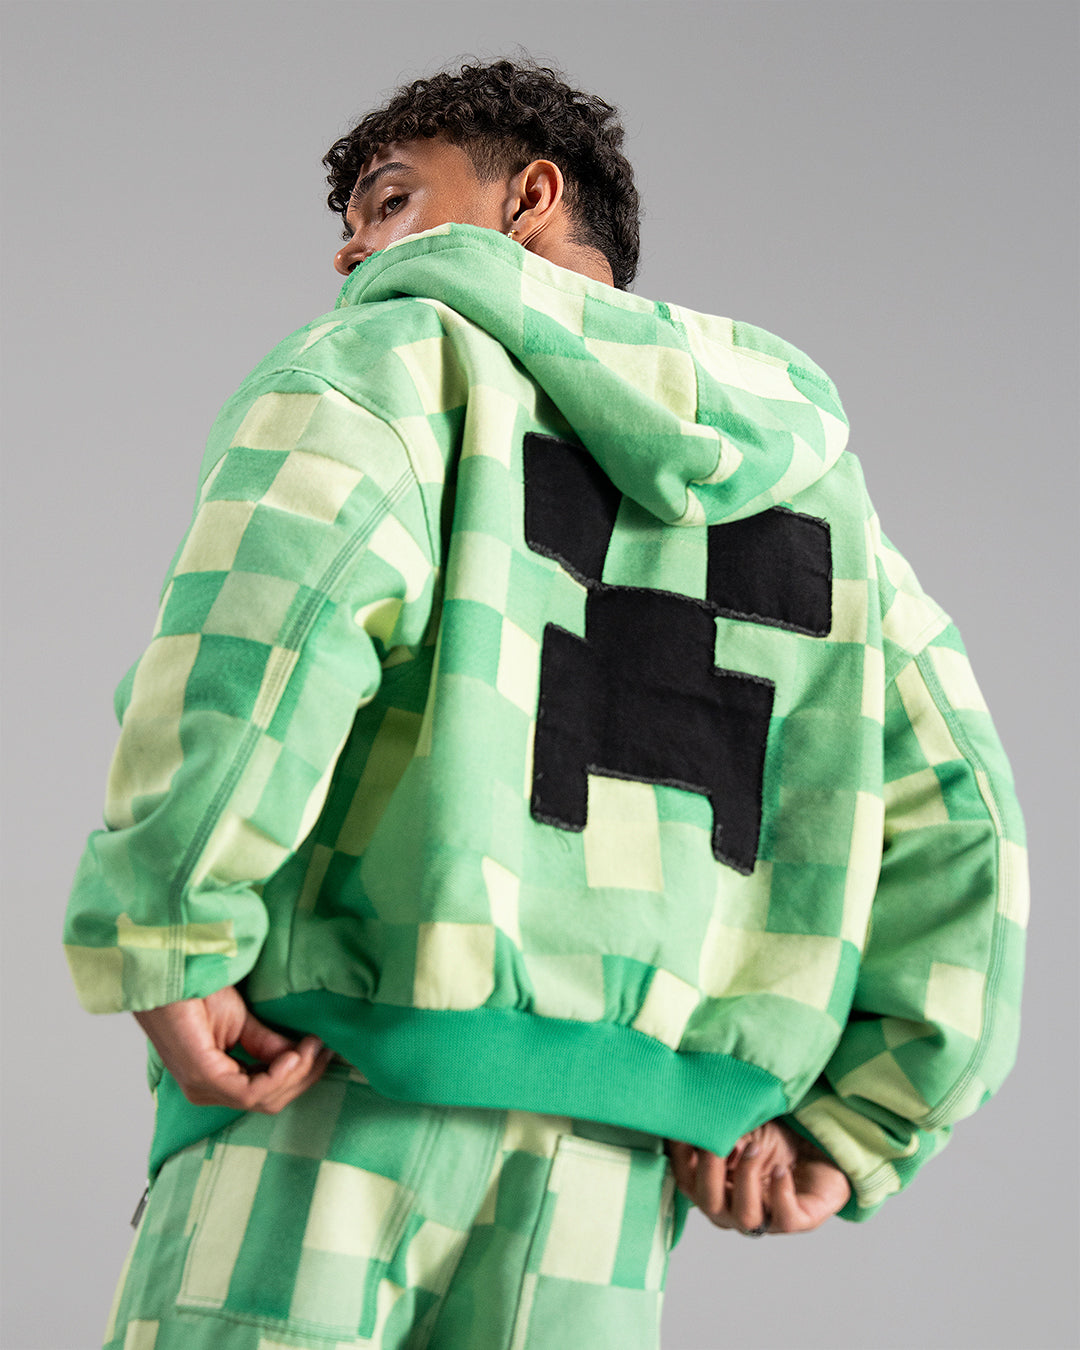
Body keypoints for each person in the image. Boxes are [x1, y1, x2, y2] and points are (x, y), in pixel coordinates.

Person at [63, 55, 1028, 1350]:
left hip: (329, 1092)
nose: (351, 251)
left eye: (390, 200)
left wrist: (169, 926)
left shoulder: (393, 361)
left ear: (530, 197)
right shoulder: (814, 495)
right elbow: (964, 814)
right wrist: (863, 1119)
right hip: (609, 1184)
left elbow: (264, 623)